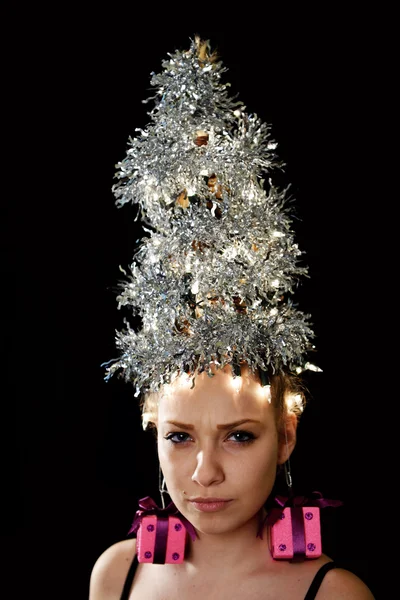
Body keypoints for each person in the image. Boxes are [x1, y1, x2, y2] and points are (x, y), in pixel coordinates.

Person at [88, 35, 375, 598]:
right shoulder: (117, 574)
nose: (203, 474)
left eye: (239, 436)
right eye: (179, 436)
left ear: (286, 436)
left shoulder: (333, 592)